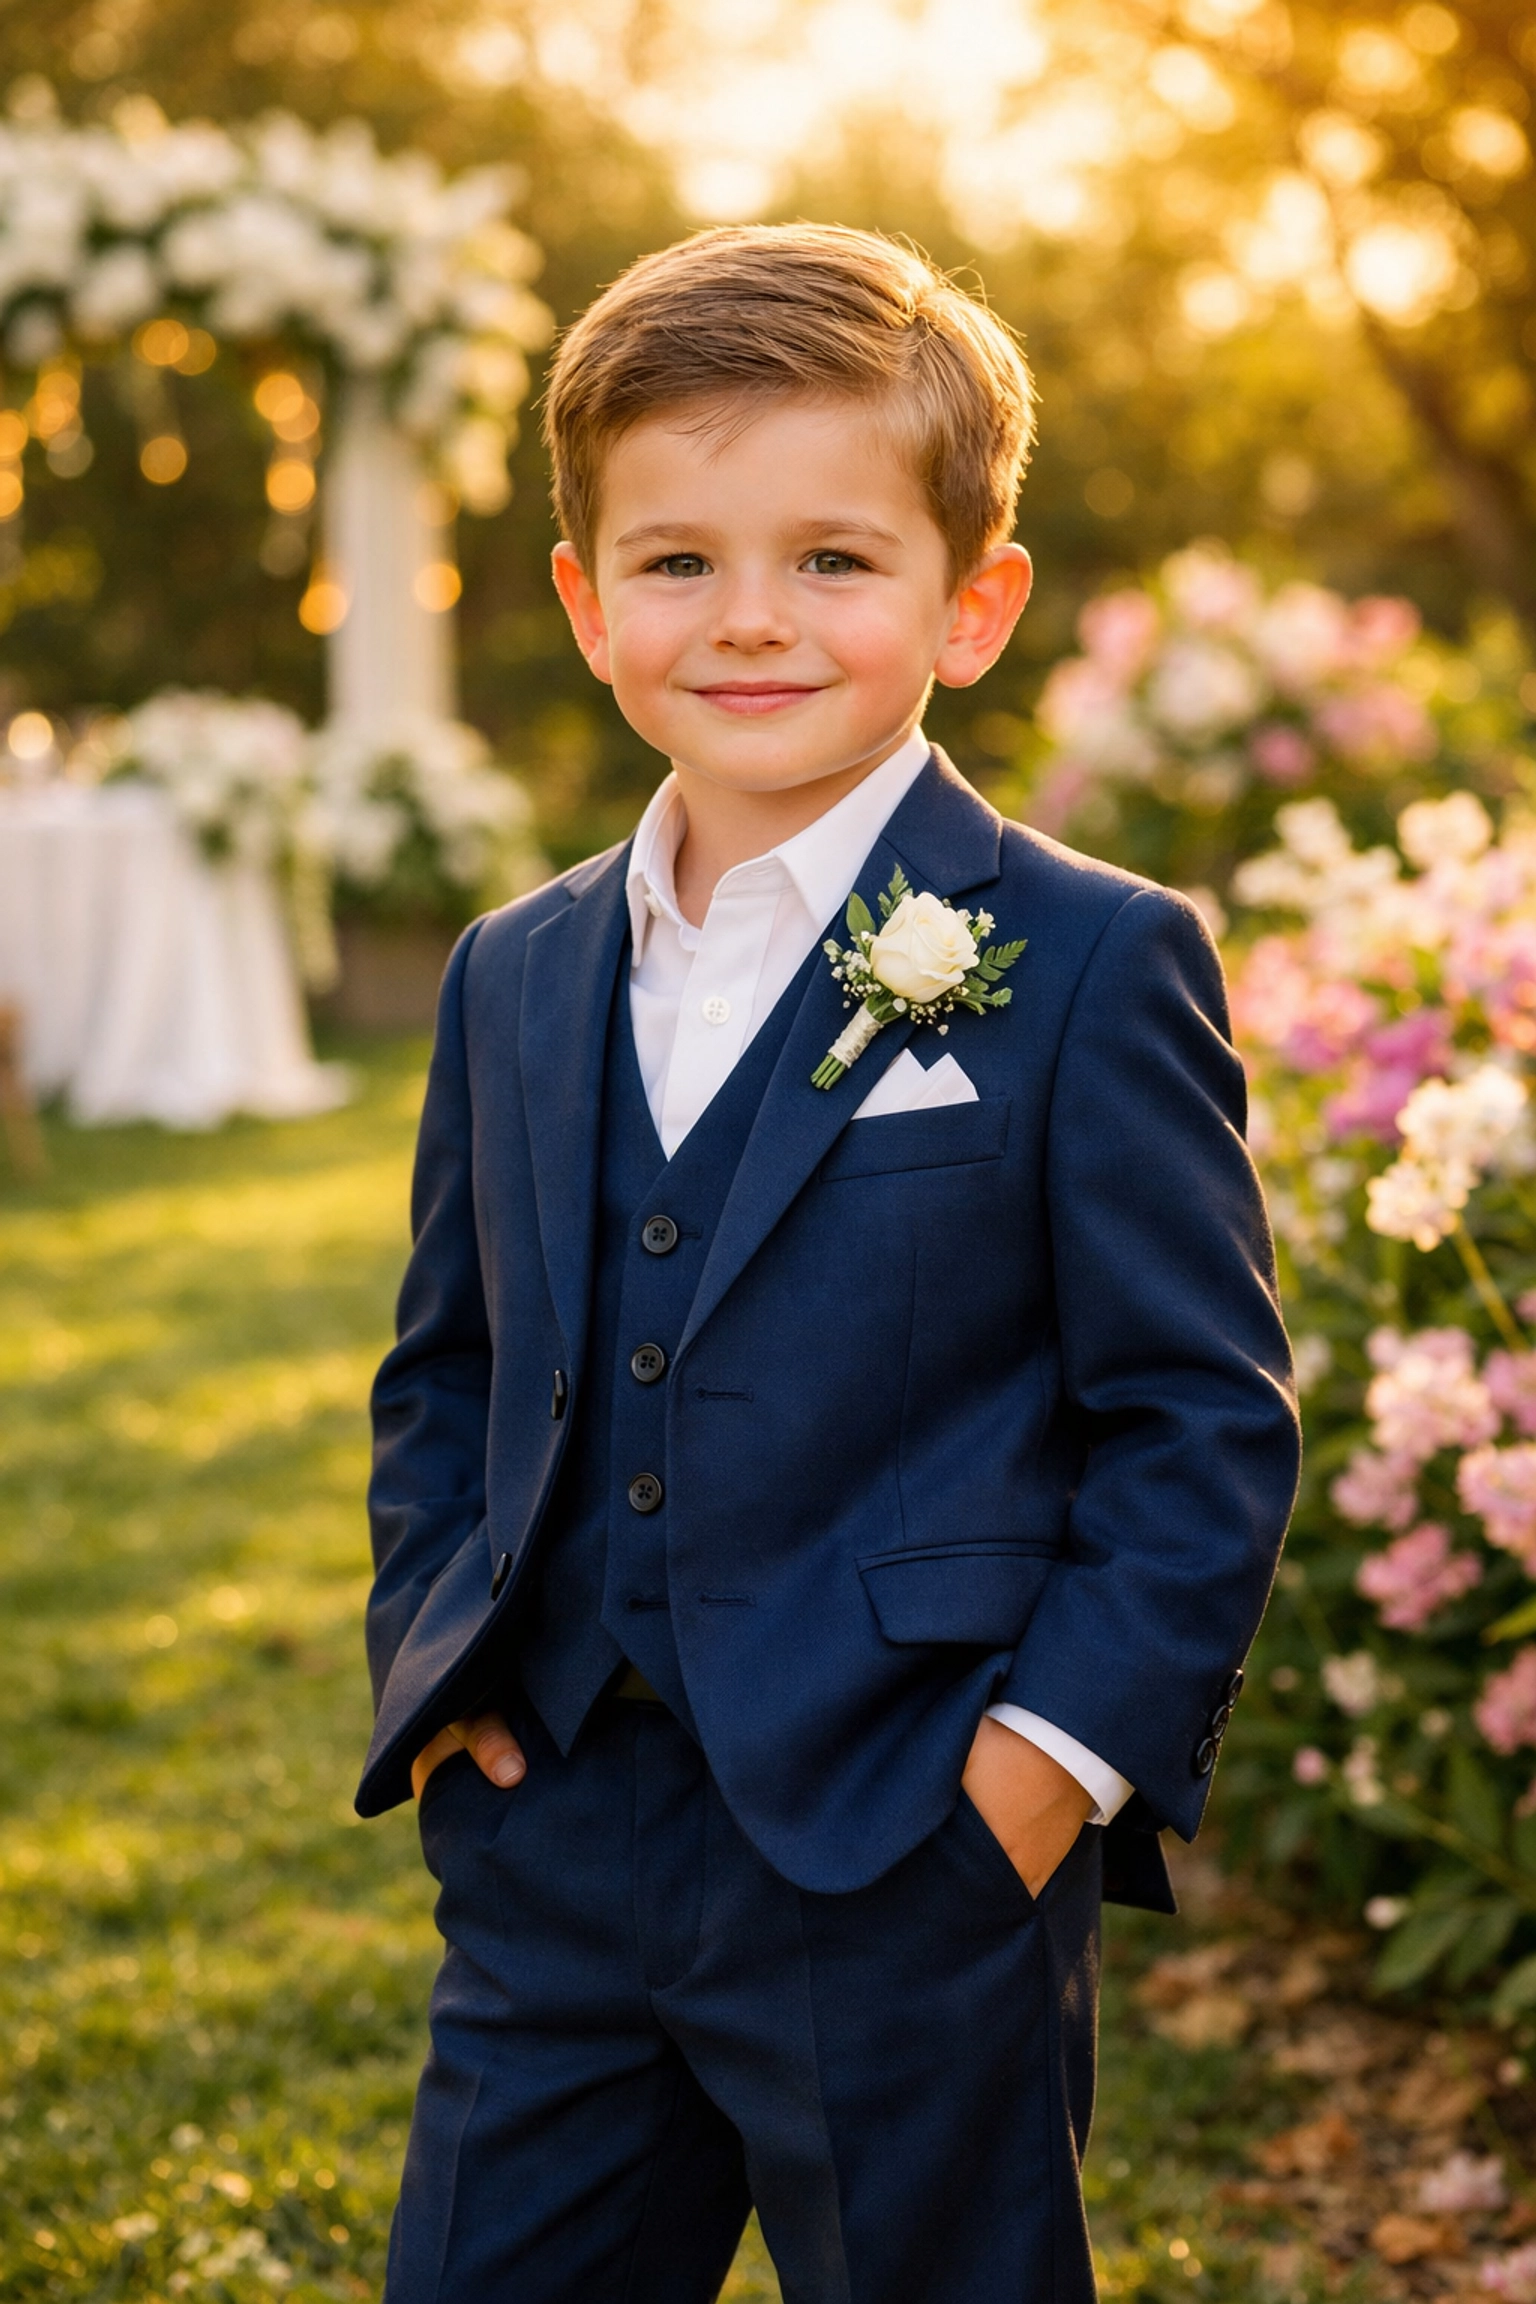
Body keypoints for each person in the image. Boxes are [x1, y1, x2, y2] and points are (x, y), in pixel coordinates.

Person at [357, 223, 1300, 2303]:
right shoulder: (513, 972)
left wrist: (1032, 1787)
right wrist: (441, 1680)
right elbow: (450, 1366)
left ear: (974, 605)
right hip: (557, 1841)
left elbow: (1197, 1422)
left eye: (834, 561)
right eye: (680, 560)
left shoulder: (1086, 958)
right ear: (586, 603)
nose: (752, 620)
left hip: (913, 1847)